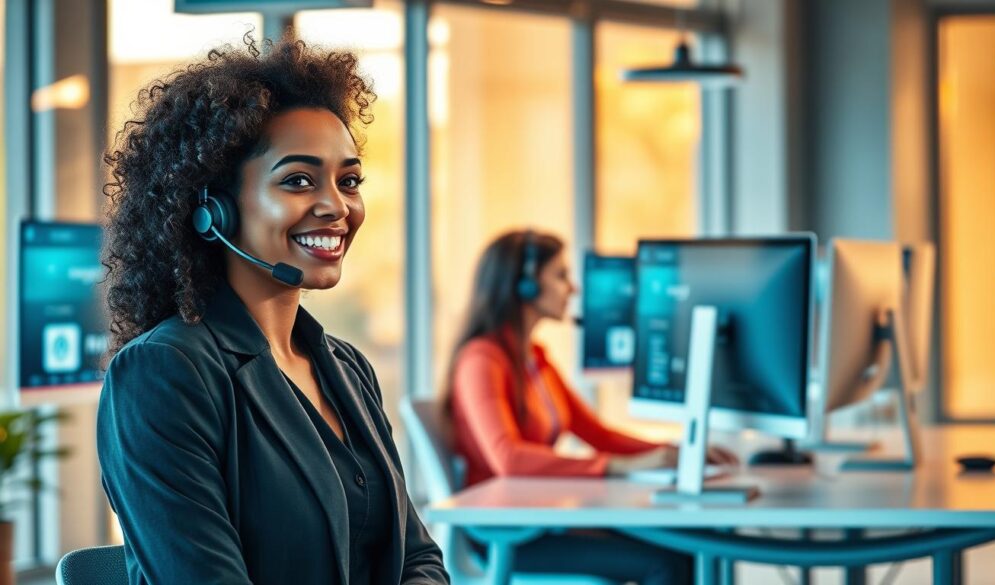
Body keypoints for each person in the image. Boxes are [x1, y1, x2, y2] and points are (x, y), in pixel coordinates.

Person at [97, 33, 448, 585]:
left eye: (349, 180)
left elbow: (419, 558)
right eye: (298, 180)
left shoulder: (347, 369)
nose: (337, 206)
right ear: (212, 209)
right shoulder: (164, 373)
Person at [447, 229, 738, 584]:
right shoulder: (482, 360)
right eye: (560, 275)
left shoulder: (534, 360)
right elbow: (508, 459)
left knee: (687, 548)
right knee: (664, 563)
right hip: (505, 532)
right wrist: (617, 467)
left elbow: (596, 433)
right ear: (524, 284)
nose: (573, 288)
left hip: (540, 517)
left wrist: (673, 452)